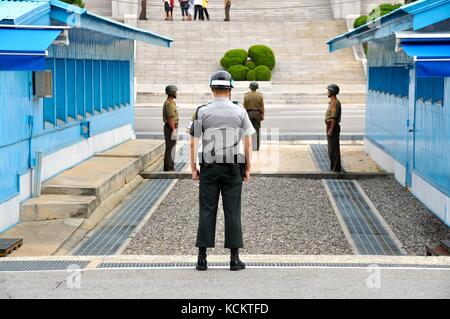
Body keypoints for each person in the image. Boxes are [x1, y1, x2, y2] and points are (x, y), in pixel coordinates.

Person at [190, 71, 255, 271]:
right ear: (230, 89)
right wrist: (247, 169)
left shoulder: (202, 111)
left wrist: (193, 168)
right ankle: (234, 259)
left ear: (212, 89)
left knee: (207, 210)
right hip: (233, 166)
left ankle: (202, 258)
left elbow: (193, 142)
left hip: (209, 166)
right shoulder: (240, 112)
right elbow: (248, 142)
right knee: (232, 211)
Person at [325, 84, 342, 172]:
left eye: (328, 90)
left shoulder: (336, 103)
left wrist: (331, 130)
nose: (327, 92)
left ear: (332, 92)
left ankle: (336, 169)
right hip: (329, 127)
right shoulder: (332, 102)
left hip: (333, 127)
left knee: (334, 150)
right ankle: (334, 168)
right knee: (331, 150)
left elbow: (334, 119)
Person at [243, 81, 265, 151]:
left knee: (249, 131)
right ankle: (256, 147)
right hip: (257, 114)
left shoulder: (246, 96)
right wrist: (262, 115)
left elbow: (244, 107)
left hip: (249, 114)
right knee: (257, 131)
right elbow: (262, 107)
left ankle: (250, 146)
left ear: (250, 87)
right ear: (256, 88)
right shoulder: (260, 96)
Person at [163, 85, 179, 171]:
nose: (176, 93)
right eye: (175, 92)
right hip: (170, 128)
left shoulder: (172, 102)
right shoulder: (169, 104)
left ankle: (171, 167)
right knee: (170, 149)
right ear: (172, 92)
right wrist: (173, 130)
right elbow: (170, 119)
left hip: (173, 127)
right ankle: (167, 169)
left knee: (172, 148)